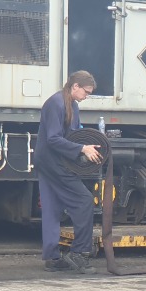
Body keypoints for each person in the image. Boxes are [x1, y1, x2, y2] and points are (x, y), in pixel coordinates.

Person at [35, 71, 103, 274]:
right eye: (86, 92)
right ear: (75, 87)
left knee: (52, 208)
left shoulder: (71, 104)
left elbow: (72, 134)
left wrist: (87, 143)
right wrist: (82, 149)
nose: (87, 96)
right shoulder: (55, 103)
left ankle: (53, 258)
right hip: (53, 162)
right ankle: (79, 253)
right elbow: (53, 139)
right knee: (83, 201)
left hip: (48, 161)